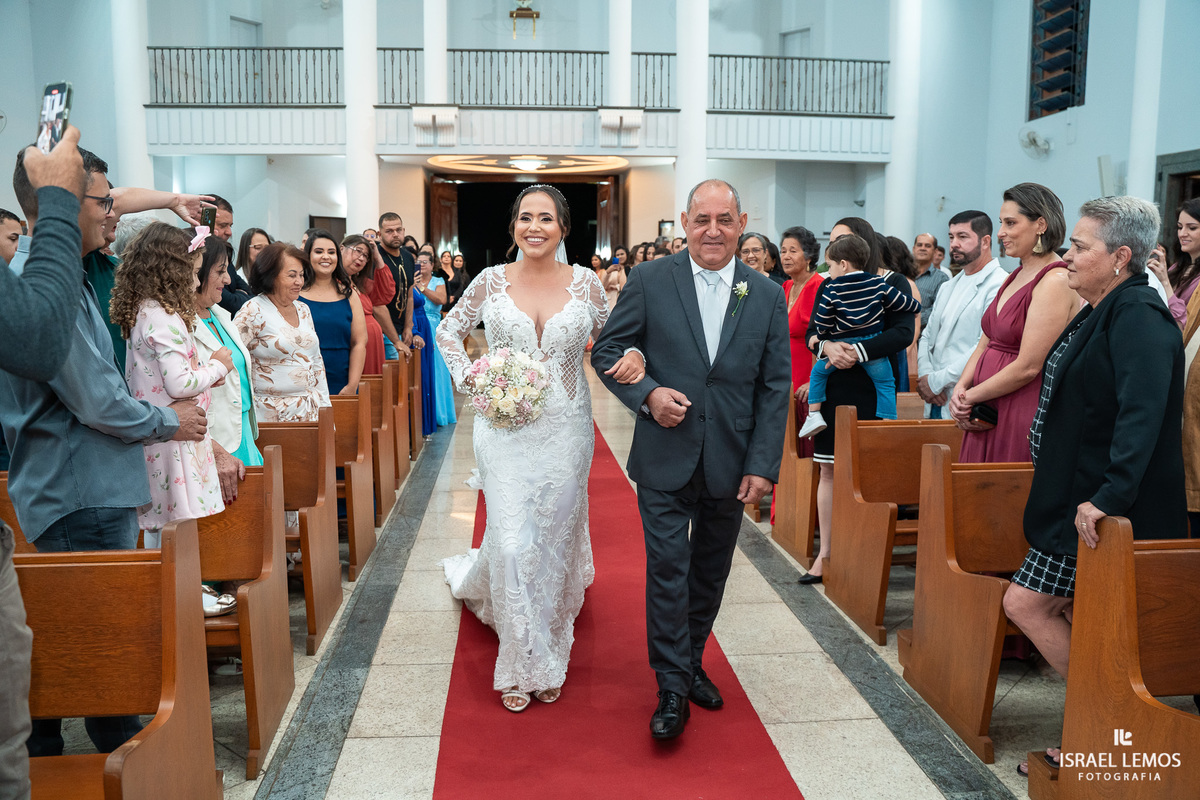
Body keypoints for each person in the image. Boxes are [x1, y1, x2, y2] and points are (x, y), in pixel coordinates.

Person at [1, 139, 208, 762]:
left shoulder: (63, 279)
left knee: (88, 647)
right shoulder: (42, 287)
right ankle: (132, 774)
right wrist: (167, 420)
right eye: (104, 200)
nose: (114, 211)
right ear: (58, 203)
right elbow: (95, 398)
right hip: (79, 490)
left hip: (89, 485)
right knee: (103, 660)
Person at [592, 179, 790, 740]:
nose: (713, 230)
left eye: (724, 219)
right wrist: (648, 395)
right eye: (702, 219)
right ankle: (672, 685)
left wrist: (763, 464)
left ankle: (692, 657)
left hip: (732, 456)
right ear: (684, 221)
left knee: (709, 570)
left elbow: (775, 388)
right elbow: (608, 348)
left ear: (741, 220)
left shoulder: (766, 294)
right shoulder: (652, 280)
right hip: (664, 453)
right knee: (668, 569)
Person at [437, 184, 646, 712]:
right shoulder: (489, 282)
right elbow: (447, 332)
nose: (535, 226)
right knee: (511, 541)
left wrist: (637, 354)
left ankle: (547, 644)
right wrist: (475, 382)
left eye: (546, 218)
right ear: (513, 226)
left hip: (566, 428)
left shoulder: (587, 285)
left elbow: (616, 339)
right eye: (525, 217)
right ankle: (523, 658)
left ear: (563, 228)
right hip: (503, 428)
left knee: (550, 540)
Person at [1002, 197, 1188, 777]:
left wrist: (1109, 496)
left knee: (1026, 603)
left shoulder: (1138, 315)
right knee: (1080, 616)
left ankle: (1111, 720)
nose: (1069, 256)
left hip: (1097, 505)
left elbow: (1143, 415)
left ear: (1121, 257)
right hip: (1075, 495)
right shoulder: (1101, 305)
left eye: (1081, 247)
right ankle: (1101, 723)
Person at [0, 125, 96, 800]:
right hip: (69, 486)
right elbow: (41, 343)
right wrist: (55, 202)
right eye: (100, 201)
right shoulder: (50, 268)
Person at [797, 216, 916, 584]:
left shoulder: (891, 282)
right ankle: (827, 553)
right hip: (835, 385)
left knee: (871, 470)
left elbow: (903, 332)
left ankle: (867, 554)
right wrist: (828, 345)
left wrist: (857, 350)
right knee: (829, 468)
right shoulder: (831, 283)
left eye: (839, 242)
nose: (830, 252)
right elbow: (813, 332)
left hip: (872, 385)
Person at [110, 223, 232, 546]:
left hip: (165, 434)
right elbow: (179, 383)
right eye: (192, 273)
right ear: (169, 272)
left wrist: (204, 377)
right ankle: (180, 593)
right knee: (176, 527)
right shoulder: (163, 315)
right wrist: (216, 367)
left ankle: (181, 591)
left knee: (165, 525)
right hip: (173, 439)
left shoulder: (146, 310)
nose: (195, 281)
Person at [950, 184, 1078, 462]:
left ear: (1040, 224)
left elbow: (1028, 366)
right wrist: (961, 386)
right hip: (986, 404)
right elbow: (985, 343)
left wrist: (971, 396)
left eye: (1011, 223)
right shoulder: (1016, 274)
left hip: (1019, 404)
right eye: (1001, 223)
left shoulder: (1054, 280)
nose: (1000, 233)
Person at [800, 235, 921, 437]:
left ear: (844, 264)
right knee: (885, 382)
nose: (828, 271)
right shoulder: (879, 283)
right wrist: (915, 307)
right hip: (871, 347)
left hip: (841, 344)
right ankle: (888, 422)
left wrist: (821, 337)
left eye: (829, 265)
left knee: (818, 374)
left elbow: (823, 319)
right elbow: (903, 302)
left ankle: (813, 416)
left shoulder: (832, 287)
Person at [192, 232, 262, 508]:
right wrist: (215, 451)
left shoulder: (220, 314)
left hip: (242, 431)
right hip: (215, 438)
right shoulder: (178, 324)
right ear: (196, 272)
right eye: (220, 271)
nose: (228, 280)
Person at [916, 211, 1006, 419]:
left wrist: (936, 381)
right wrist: (925, 376)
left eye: (962, 236)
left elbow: (984, 346)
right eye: (951, 237)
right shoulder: (948, 286)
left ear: (985, 242)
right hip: (935, 396)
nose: (954, 244)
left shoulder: (999, 284)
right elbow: (928, 335)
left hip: (964, 395)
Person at [234, 242, 331, 422]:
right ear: (271, 276)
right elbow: (232, 358)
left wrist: (326, 410)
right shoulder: (253, 309)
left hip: (310, 411)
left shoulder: (303, 309)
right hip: (270, 414)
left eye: (301, 275)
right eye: (292, 275)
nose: (299, 282)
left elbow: (317, 362)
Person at [301, 229, 366, 396]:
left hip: (341, 380)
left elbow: (359, 342)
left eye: (331, 252)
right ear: (308, 255)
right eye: (318, 251)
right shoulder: (295, 294)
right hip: (302, 381)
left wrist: (352, 385)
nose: (326, 257)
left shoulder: (349, 294)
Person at [1148, 197, 1200, 335]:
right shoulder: (1177, 267)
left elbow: (1186, 327)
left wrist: (1164, 282)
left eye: (1192, 228)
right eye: (1179, 227)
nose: (1182, 234)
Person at [370, 213, 416, 362]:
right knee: (394, 378)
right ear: (379, 234)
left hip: (403, 330)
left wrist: (409, 327)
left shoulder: (407, 256)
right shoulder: (375, 258)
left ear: (403, 230)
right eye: (389, 231)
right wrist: (396, 340)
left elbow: (409, 295)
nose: (395, 235)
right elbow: (377, 304)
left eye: (398, 230)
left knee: (404, 379)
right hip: (383, 331)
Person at [342, 234, 388, 376]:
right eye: (358, 251)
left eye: (366, 256)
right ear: (341, 249)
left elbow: (385, 294)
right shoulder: (333, 284)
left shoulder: (360, 283)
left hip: (373, 346)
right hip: (355, 347)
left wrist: (377, 257)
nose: (361, 258)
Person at [413, 251, 448, 429]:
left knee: (437, 368)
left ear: (432, 265)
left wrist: (423, 288)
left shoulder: (438, 282)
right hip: (418, 323)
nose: (422, 265)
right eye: (419, 262)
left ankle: (440, 411)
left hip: (433, 325)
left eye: (426, 262)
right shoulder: (411, 280)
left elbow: (441, 300)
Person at [224, 227, 271, 315]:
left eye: (267, 248)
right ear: (245, 249)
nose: (264, 252)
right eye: (258, 247)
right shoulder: (238, 276)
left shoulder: (273, 276)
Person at [913, 232, 949, 328]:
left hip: (923, 335)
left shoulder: (942, 279)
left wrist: (911, 321)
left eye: (927, 246)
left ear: (935, 251)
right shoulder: (903, 274)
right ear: (914, 249)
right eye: (919, 245)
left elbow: (937, 310)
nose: (922, 248)